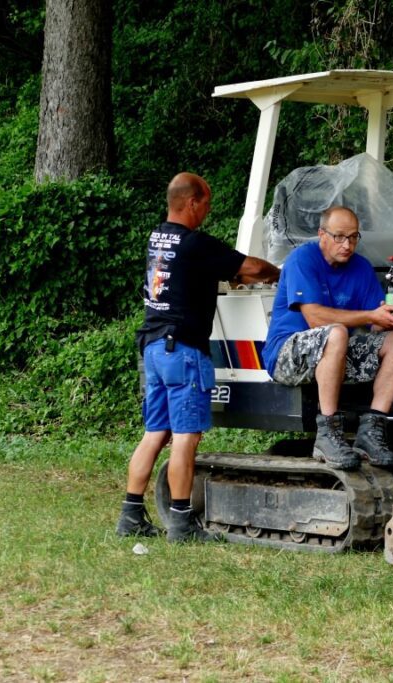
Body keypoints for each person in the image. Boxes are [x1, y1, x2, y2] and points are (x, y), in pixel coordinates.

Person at [116, 172, 280, 542]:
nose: (208, 210)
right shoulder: (195, 243)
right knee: (186, 437)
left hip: (154, 347)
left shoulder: (158, 238)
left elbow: (190, 278)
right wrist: (279, 275)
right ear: (191, 202)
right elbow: (253, 268)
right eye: (206, 203)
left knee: (155, 432)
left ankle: (130, 515)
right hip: (183, 351)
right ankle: (181, 523)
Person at [262, 206, 393, 470]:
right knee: (337, 332)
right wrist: (371, 315)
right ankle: (328, 433)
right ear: (322, 234)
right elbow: (315, 318)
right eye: (339, 237)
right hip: (288, 354)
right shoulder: (302, 259)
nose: (347, 245)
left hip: (336, 351)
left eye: (353, 237)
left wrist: (391, 317)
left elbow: (375, 324)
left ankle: (372, 429)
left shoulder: (361, 267)